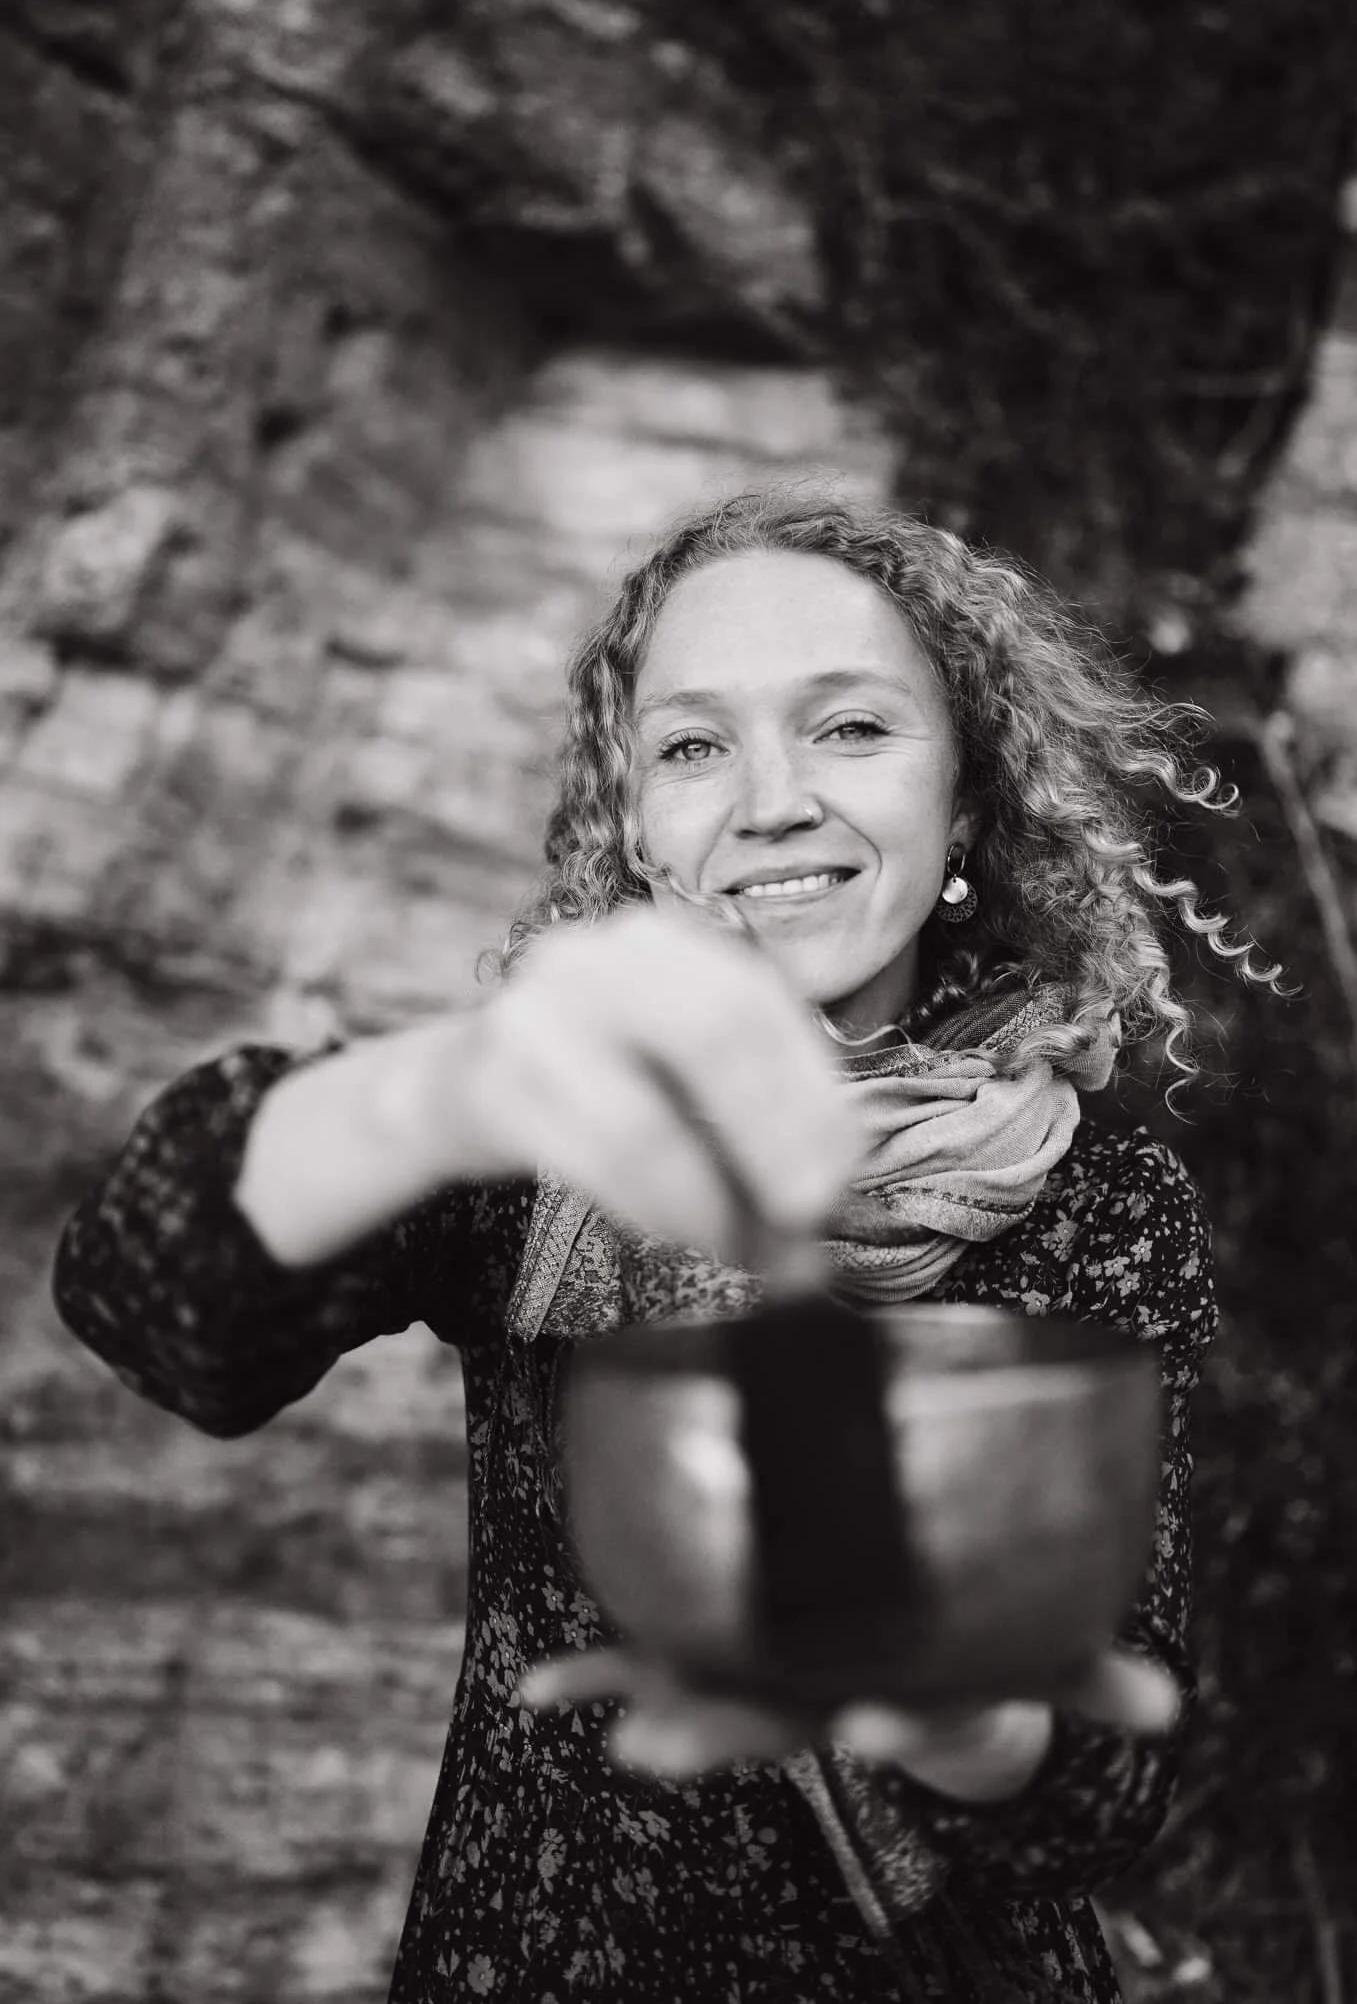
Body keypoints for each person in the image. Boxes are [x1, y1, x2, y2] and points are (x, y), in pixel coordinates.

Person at [51, 490, 1280, 2002]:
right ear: (634, 821)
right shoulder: (543, 1137)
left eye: (850, 728)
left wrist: (957, 1709)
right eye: (693, 747)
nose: (770, 802)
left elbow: (1104, 1788)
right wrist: (437, 1093)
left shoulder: (1102, 1198)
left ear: (964, 798)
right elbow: (153, 1301)